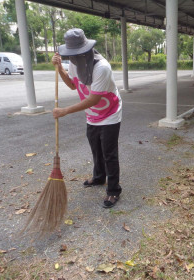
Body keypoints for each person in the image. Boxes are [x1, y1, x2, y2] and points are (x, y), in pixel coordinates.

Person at [52, 28, 122, 208]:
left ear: (86, 50)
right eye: (69, 55)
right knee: (95, 148)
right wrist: (60, 68)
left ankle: (114, 190)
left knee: (109, 153)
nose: (72, 58)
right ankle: (99, 177)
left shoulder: (102, 67)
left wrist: (65, 111)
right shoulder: (75, 62)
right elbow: (72, 85)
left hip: (110, 113)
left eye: (75, 54)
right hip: (92, 115)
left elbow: (94, 98)